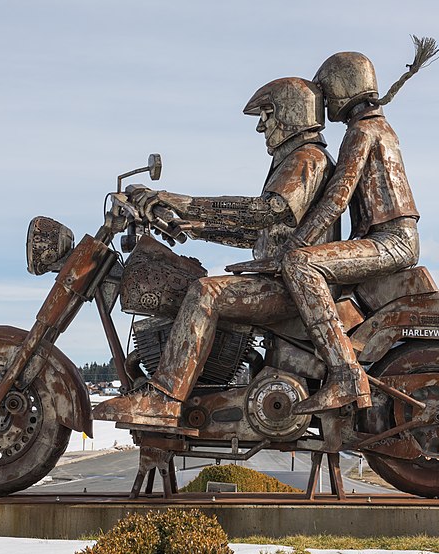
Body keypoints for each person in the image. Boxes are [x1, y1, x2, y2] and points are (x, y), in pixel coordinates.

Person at [92, 77, 336, 429]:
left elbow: (267, 212)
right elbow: (259, 232)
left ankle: (164, 400)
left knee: (206, 292)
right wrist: (195, 227)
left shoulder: (306, 159)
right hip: (281, 278)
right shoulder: (292, 161)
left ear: (292, 114)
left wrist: (181, 202)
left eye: (267, 114)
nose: (260, 125)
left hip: (289, 286)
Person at [231, 41, 439, 415]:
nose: (322, 107)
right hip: (387, 238)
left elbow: (337, 198)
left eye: (325, 94)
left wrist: (290, 249)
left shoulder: (363, 131)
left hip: (391, 241)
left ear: (343, 87)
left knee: (300, 264)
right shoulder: (376, 127)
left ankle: (346, 376)